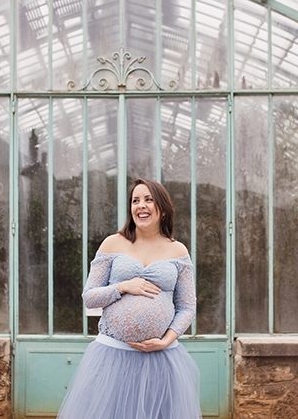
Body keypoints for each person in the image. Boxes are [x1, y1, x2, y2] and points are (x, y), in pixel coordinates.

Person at [57, 178, 201, 419]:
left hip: (161, 359)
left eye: (148, 200)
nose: (140, 206)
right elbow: (90, 297)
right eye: (135, 201)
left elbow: (187, 306)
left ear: (162, 209)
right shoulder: (113, 244)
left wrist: (165, 340)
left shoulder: (178, 251)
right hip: (112, 357)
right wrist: (123, 286)